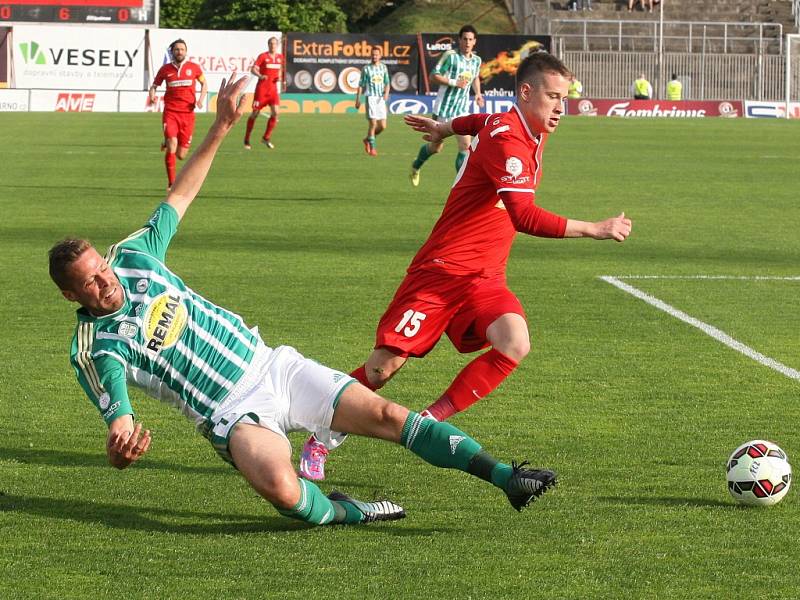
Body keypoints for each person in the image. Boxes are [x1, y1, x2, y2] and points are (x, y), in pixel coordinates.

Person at [48, 74, 558, 528]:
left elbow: (180, 196)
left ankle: (505, 477)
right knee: (283, 489)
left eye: (102, 269)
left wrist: (223, 125)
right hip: (229, 415)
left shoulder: (135, 256)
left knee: (388, 415)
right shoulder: (96, 347)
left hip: (273, 367)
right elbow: (117, 414)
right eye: (90, 283)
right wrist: (122, 446)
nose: (105, 281)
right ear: (71, 295)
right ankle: (350, 510)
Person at [299, 52, 632, 481]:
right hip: (442, 272)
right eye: (553, 97)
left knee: (514, 342)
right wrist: (595, 228)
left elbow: (477, 121)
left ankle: (430, 419)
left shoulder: (521, 125)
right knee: (381, 369)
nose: (560, 109)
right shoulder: (509, 139)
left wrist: (443, 127)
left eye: (564, 99)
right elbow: (524, 216)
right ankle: (319, 435)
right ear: (526, 93)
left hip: (484, 275)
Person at [410, 25, 484, 186]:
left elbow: (475, 77)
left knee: (465, 146)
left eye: (470, 39)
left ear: (474, 42)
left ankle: (463, 188)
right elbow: (433, 76)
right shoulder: (450, 56)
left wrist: (478, 93)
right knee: (436, 147)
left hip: (462, 110)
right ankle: (416, 166)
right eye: (464, 39)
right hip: (443, 109)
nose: (467, 42)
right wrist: (454, 82)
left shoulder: (477, 60)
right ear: (460, 40)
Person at [149, 39, 207, 190]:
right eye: (176, 49)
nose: (179, 52)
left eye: (182, 49)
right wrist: (152, 96)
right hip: (171, 112)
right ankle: (171, 183)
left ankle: (166, 141)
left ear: (186, 51)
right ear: (172, 52)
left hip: (188, 114)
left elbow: (204, 83)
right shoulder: (165, 69)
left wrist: (201, 99)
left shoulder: (194, 68)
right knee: (173, 144)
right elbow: (154, 86)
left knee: (181, 155)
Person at [244, 36, 283, 150]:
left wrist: (279, 76)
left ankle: (266, 137)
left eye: (275, 43)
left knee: (276, 112)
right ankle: (246, 139)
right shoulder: (263, 56)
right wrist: (260, 75)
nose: (273, 45)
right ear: (268, 45)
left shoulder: (280, 58)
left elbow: (280, 70)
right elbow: (253, 69)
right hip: (262, 90)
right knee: (255, 114)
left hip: (273, 90)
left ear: (277, 45)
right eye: (271, 43)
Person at [354, 46, 390, 157]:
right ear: (371, 55)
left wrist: (386, 93)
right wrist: (358, 99)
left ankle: (367, 139)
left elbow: (387, 83)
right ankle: (373, 148)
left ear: (380, 56)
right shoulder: (366, 69)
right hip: (371, 98)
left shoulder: (383, 68)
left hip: (380, 99)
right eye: (373, 54)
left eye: (376, 54)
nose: (374, 56)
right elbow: (361, 85)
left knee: (383, 126)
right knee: (373, 123)